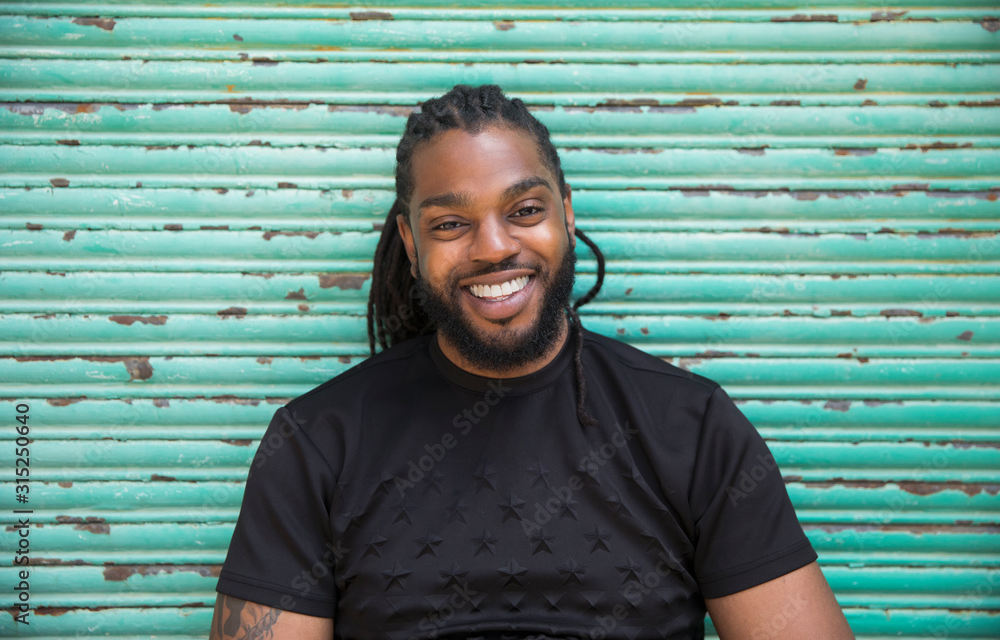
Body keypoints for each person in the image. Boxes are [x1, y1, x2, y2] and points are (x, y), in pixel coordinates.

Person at [210, 84, 854, 639]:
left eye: (524, 211)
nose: (495, 248)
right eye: (450, 224)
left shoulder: (690, 427)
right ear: (410, 242)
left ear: (566, 214)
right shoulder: (318, 443)